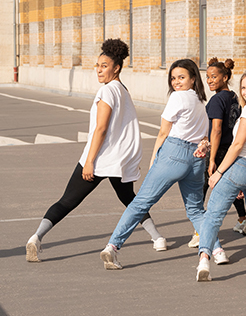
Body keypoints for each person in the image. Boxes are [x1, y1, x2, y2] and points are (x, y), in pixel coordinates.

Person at [26, 39, 165, 262]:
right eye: (97, 65)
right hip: (118, 161)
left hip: (100, 159)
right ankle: (158, 238)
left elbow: (101, 129)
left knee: (67, 201)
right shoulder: (122, 90)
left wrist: (90, 161)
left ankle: (36, 238)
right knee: (130, 200)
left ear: (116, 67)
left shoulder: (107, 91)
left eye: (104, 66)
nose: (99, 70)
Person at [100, 58, 228, 270]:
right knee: (196, 210)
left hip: (174, 153)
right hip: (196, 159)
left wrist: (153, 160)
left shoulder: (178, 98)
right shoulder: (200, 101)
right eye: (173, 78)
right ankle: (217, 250)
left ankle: (112, 247)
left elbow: (163, 132)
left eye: (182, 77)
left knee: (141, 203)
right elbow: (205, 134)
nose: (176, 82)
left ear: (193, 78)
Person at [195, 69, 246, 281]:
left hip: (241, 166)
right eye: (243, 87)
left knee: (213, 214)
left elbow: (237, 145)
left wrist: (219, 172)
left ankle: (204, 259)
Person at [188, 58, 246, 248]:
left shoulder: (216, 99)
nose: (210, 80)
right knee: (230, 188)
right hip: (233, 150)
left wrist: (211, 158)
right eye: (207, 77)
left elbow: (217, 129)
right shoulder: (235, 97)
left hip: (219, 150)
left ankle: (200, 230)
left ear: (226, 77)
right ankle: (242, 219)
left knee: (203, 188)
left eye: (214, 77)